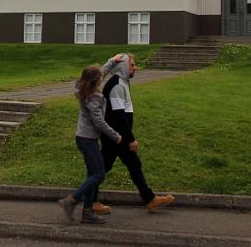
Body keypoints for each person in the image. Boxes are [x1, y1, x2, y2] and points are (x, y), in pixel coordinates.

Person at [92, 53, 175, 214]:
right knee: (105, 167)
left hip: (117, 136)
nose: (135, 68)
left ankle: (149, 199)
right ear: (123, 66)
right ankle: (86, 199)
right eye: (132, 65)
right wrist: (130, 139)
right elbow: (119, 115)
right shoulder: (116, 85)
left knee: (129, 165)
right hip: (115, 137)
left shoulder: (122, 83)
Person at [59, 65, 122, 224]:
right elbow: (99, 122)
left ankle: (87, 212)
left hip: (83, 137)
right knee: (99, 174)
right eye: (100, 77)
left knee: (92, 175)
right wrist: (116, 136)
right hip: (88, 140)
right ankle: (71, 200)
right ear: (97, 81)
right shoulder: (94, 98)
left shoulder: (80, 89)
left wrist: (110, 62)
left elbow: (96, 74)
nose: (102, 77)